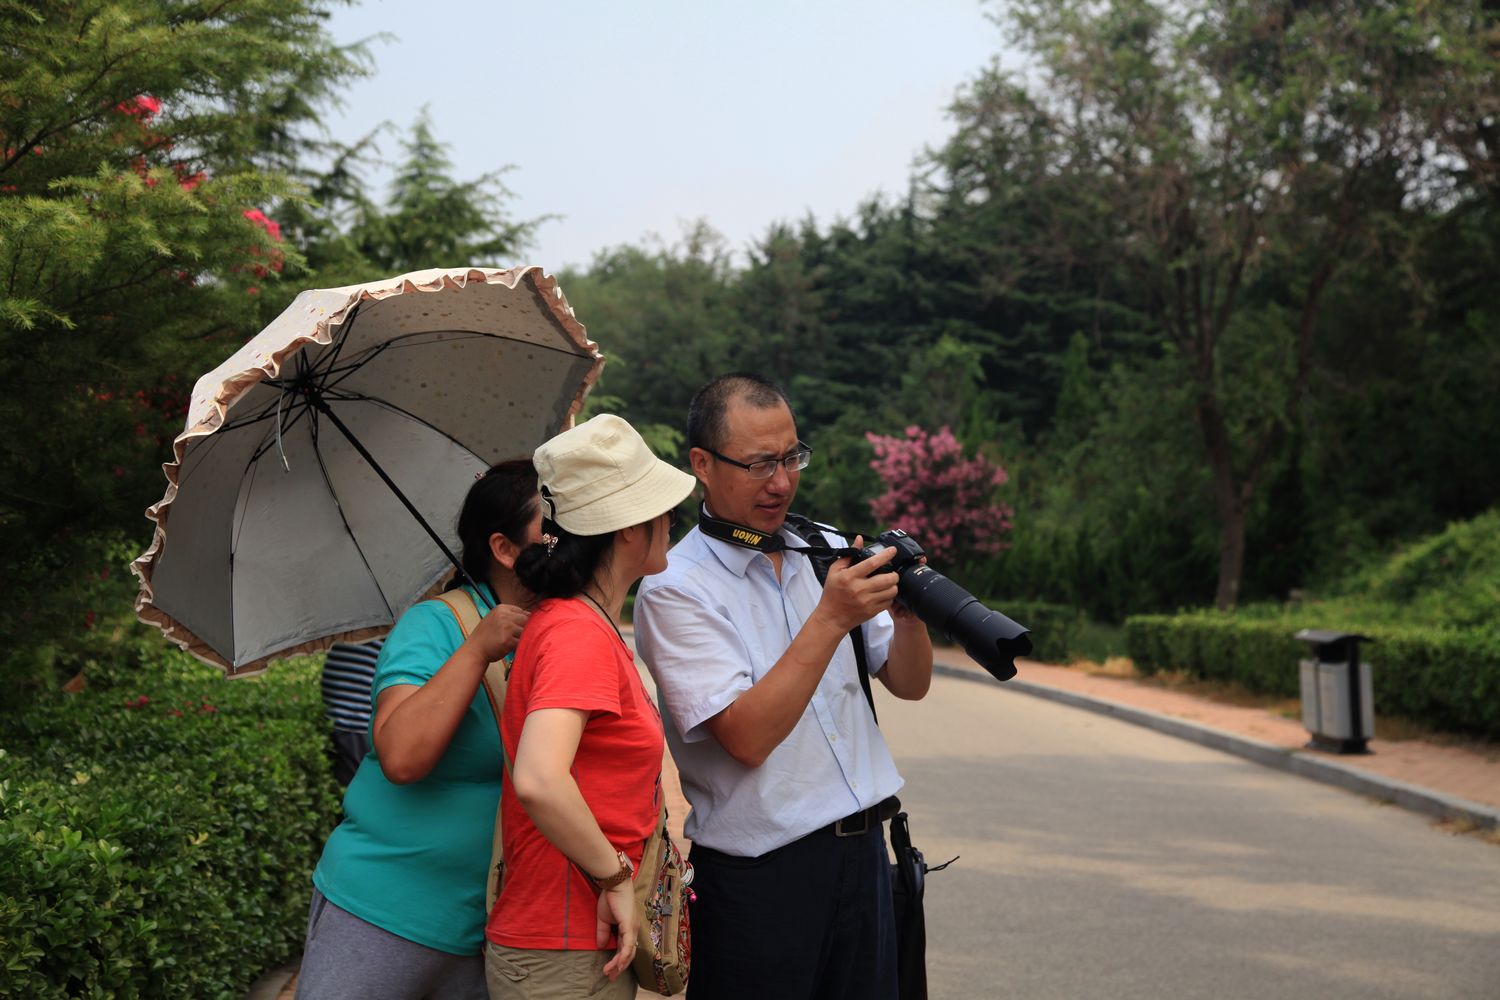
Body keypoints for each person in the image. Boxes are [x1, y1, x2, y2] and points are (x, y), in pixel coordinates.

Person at [633, 373, 935, 1000]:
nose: (782, 481)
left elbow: (909, 682)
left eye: (792, 456)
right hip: (761, 878)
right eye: (759, 463)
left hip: (865, 854)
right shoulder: (676, 587)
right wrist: (830, 618)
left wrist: (909, 613)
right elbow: (746, 737)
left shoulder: (822, 549)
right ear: (702, 465)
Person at [295, 460, 540, 1000]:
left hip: (488, 924)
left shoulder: (554, 629)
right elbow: (403, 756)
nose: (565, 541)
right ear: (504, 549)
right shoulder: (434, 625)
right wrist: (477, 648)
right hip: (388, 912)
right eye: (551, 528)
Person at [483, 414, 696, 999]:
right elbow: (540, 779)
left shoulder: (582, 623)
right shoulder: (577, 631)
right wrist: (615, 878)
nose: (669, 521)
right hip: (562, 945)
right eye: (660, 509)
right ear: (627, 527)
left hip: (572, 941)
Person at [320, 639, 383, 786]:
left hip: (337, 713)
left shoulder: (355, 625)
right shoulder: (394, 627)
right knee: (359, 785)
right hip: (355, 718)